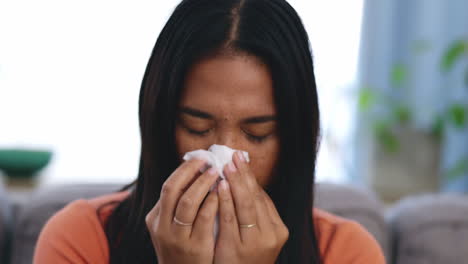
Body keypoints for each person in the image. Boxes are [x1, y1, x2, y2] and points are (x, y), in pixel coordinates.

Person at [34, 0, 386, 263]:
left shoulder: (346, 252)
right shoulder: (81, 237)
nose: (225, 157)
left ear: (293, 138)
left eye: (257, 133)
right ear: (159, 124)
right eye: (196, 126)